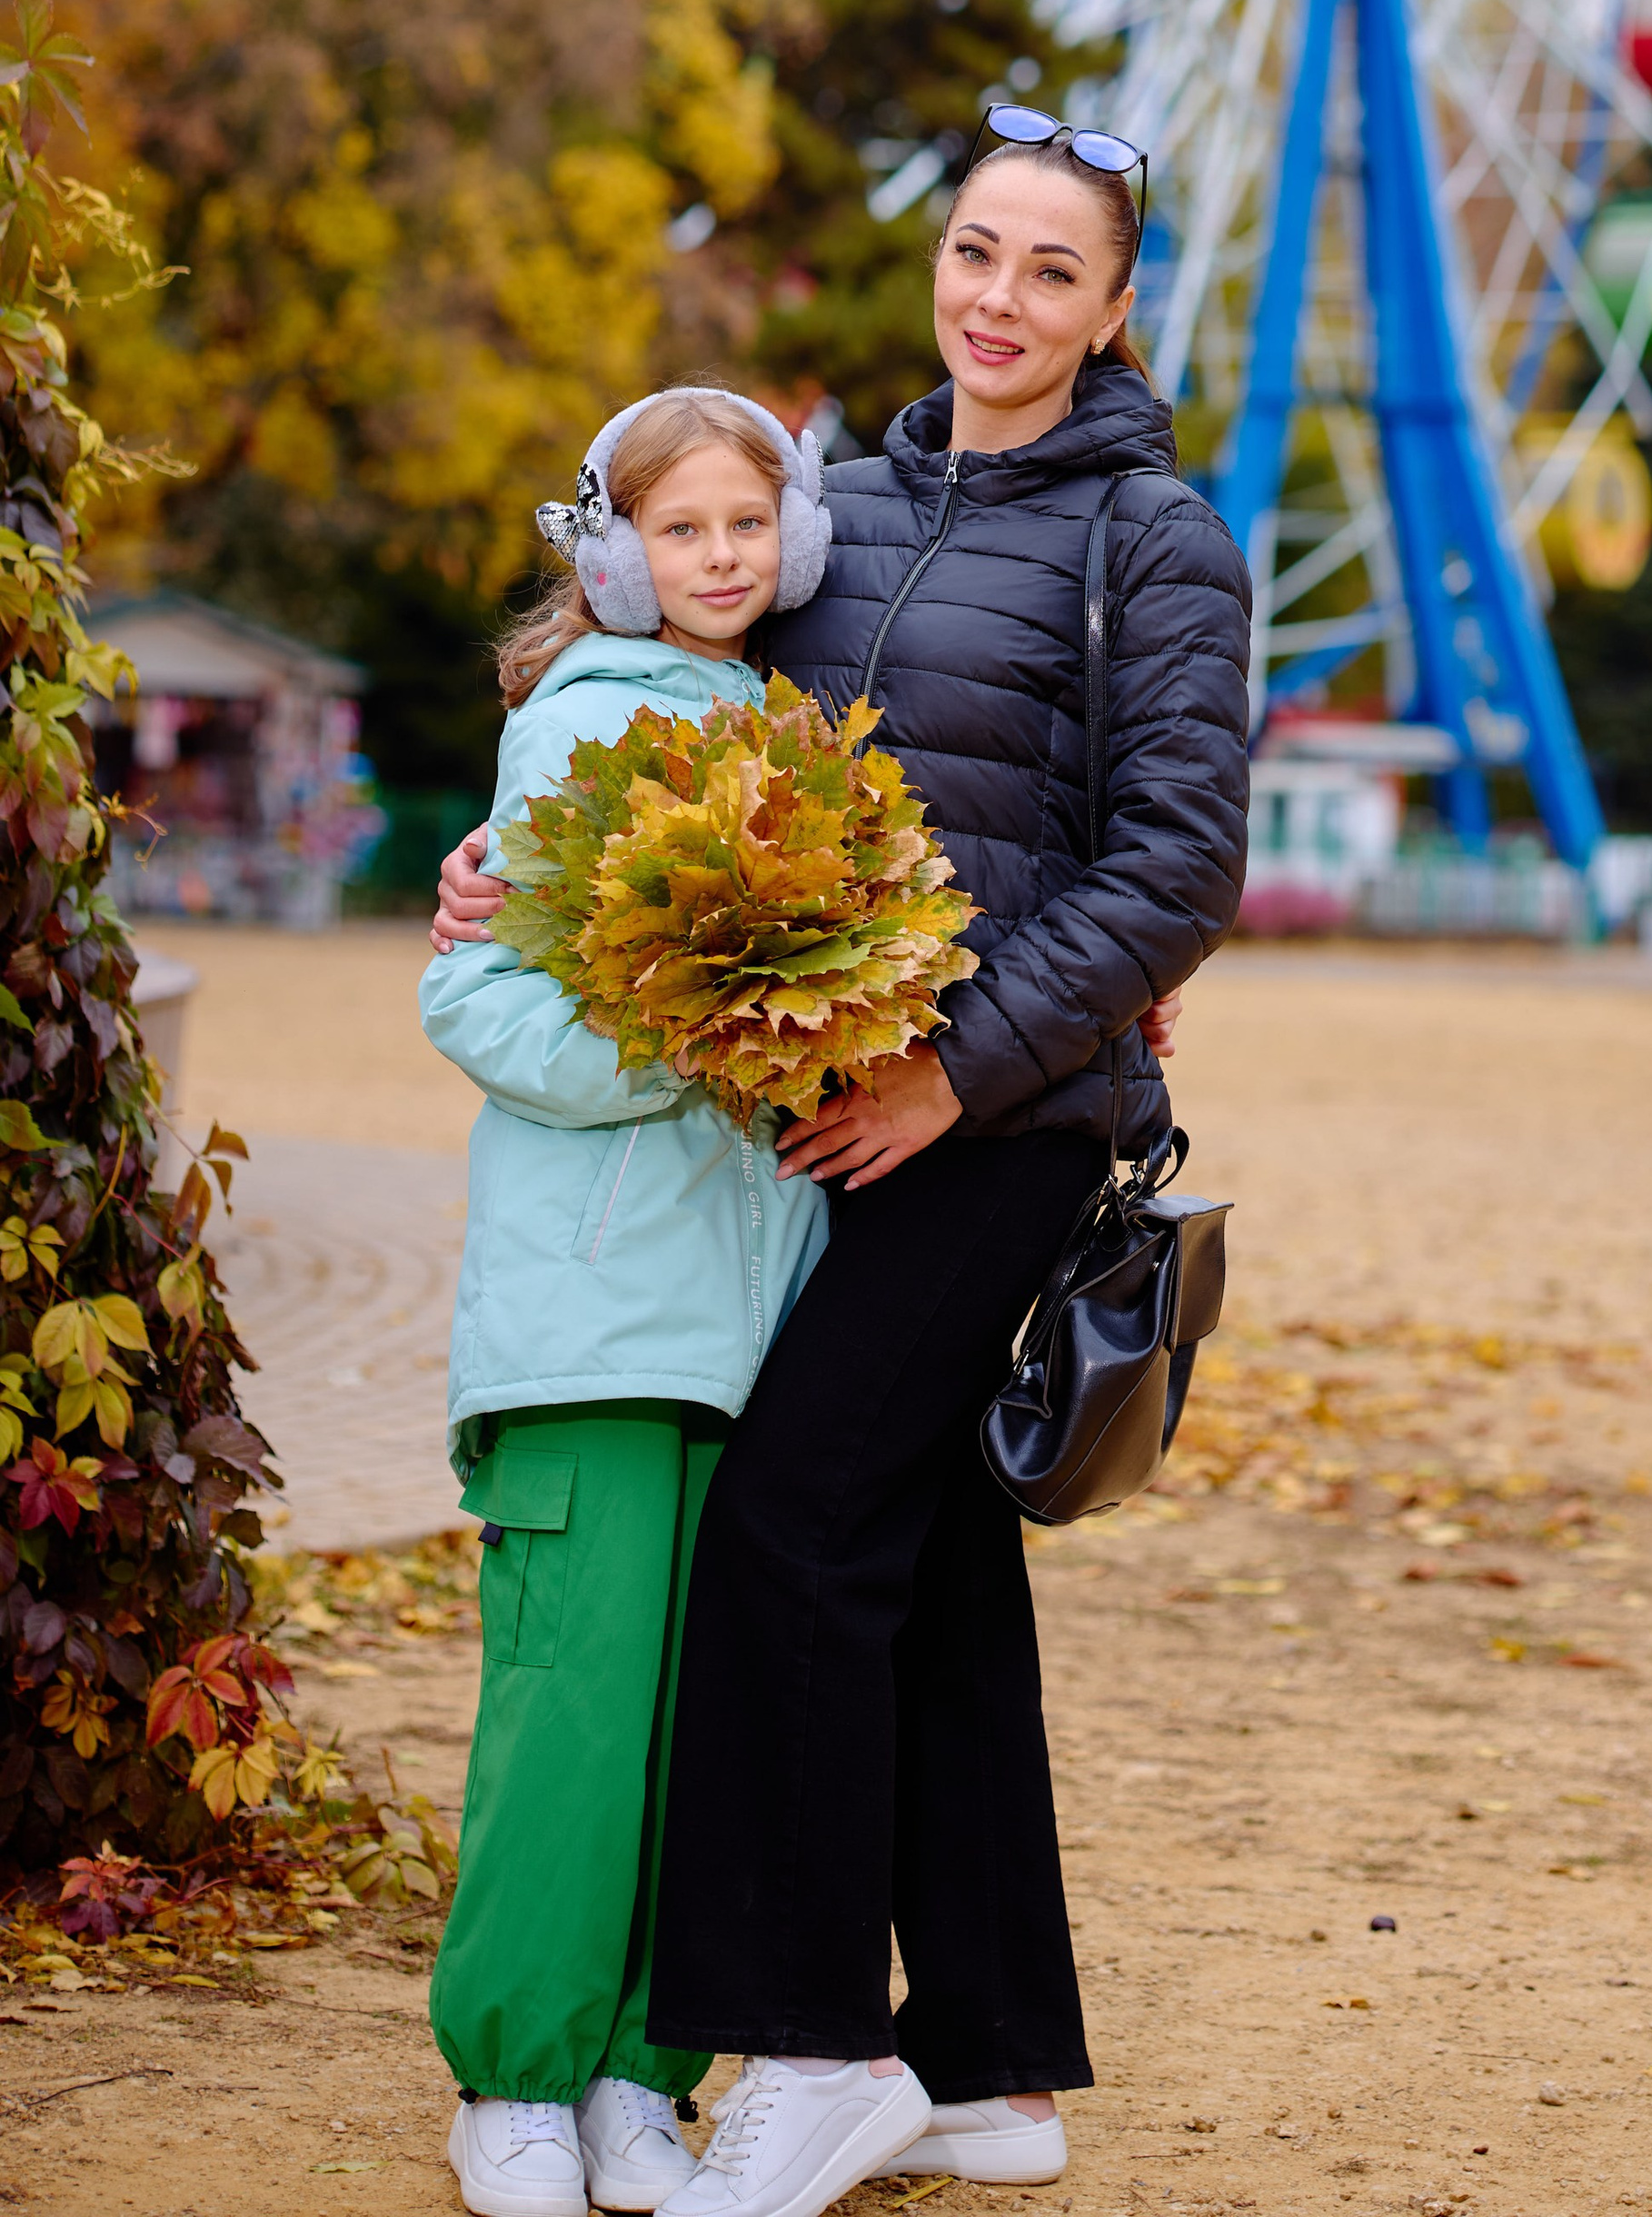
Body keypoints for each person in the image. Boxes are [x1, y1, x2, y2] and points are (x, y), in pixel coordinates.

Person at [435, 119, 1252, 2217]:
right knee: (931, 1561)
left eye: (1049, 271)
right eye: (975, 251)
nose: (998, 298)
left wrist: (949, 1079)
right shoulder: (835, 513)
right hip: (822, 1131)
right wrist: (517, 878)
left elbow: (1175, 866)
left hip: (992, 1124)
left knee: (796, 1524)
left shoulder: (1152, 542)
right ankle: (987, 2067)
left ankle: (811, 2045)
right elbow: (671, 718)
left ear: (1112, 305)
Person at [423, 387, 834, 2217]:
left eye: (749, 523)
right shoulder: (573, 730)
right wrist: (689, 1035)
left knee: (702, 1722)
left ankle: (633, 2079)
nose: (722, 557)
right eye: (682, 530)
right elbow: (480, 1008)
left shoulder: (801, 734)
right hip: (595, 1311)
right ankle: (510, 2077)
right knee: (573, 1707)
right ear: (612, 551)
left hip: (756, 1327)